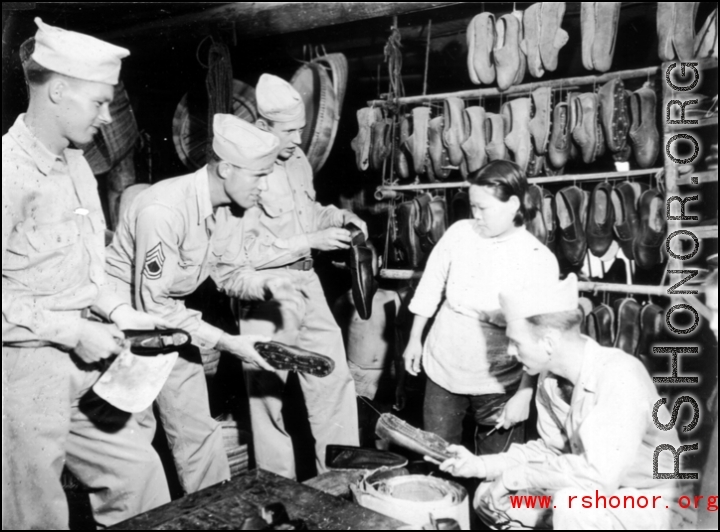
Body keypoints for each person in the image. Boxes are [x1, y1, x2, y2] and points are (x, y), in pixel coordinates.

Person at [2, 19, 171, 529]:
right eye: (99, 102)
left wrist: (123, 313)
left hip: (90, 365)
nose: (106, 116)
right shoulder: (6, 174)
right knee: (36, 516)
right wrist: (73, 331)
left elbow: (90, 271)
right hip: (22, 373)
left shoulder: (77, 166)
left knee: (141, 480)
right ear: (58, 91)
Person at [105, 114, 300, 494]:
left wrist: (266, 283)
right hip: (123, 329)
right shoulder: (164, 209)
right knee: (132, 456)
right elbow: (152, 307)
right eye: (259, 175)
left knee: (199, 435)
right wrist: (228, 342)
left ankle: (214, 516)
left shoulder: (226, 208)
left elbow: (228, 272)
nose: (266, 185)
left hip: (171, 323)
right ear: (225, 168)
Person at [436, 274, 682, 530]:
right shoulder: (549, 378)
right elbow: (551, 451)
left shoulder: (620, 375)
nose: (509, 350)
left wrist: (514, 477)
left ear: (549, 343)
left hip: (651, 500)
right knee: (488, 496)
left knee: (571, 505)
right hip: (603, 495)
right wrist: (480, 465)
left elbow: (597, 478)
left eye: (516, 342)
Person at [240, 73, 363, 478]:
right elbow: (245, 251)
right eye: (288, 131)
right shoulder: (244, 170)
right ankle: (276, 491)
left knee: (334, 379)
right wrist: (312, 237)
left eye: (300, 129)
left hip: (308, 284)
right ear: (262, 127)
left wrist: (339, 216)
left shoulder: (295, 161)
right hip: (268, 294)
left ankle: (340, 481)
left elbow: (309, 213)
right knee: (268, 398)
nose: (297, 139)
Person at [402, 160, 559, 453]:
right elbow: (430, 286)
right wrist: (414, 339)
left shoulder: (538, 257)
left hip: (500, 382)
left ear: (513, 204)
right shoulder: (460, 233)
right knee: (438, 456)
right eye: (472, 206)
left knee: (496, 472)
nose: (475, 215)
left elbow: (539, 335)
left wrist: (525, 392)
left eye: (483, 208)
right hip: (444, 367)